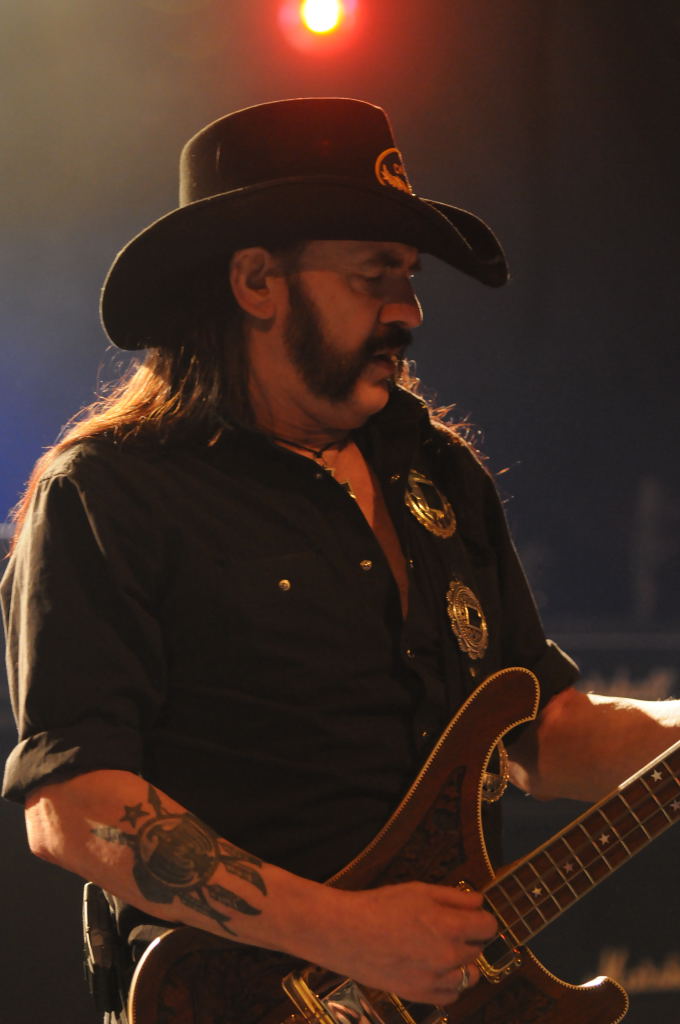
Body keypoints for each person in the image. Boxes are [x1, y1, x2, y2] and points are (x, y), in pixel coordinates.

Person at [2, 98, 679, 1022]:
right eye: (375, 276)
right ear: (256, 281)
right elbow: (73, 805)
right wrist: (346, 933)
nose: (409, 311)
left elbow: (544, 734)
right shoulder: (110, 491)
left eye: (410, 277)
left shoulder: (438, 472)